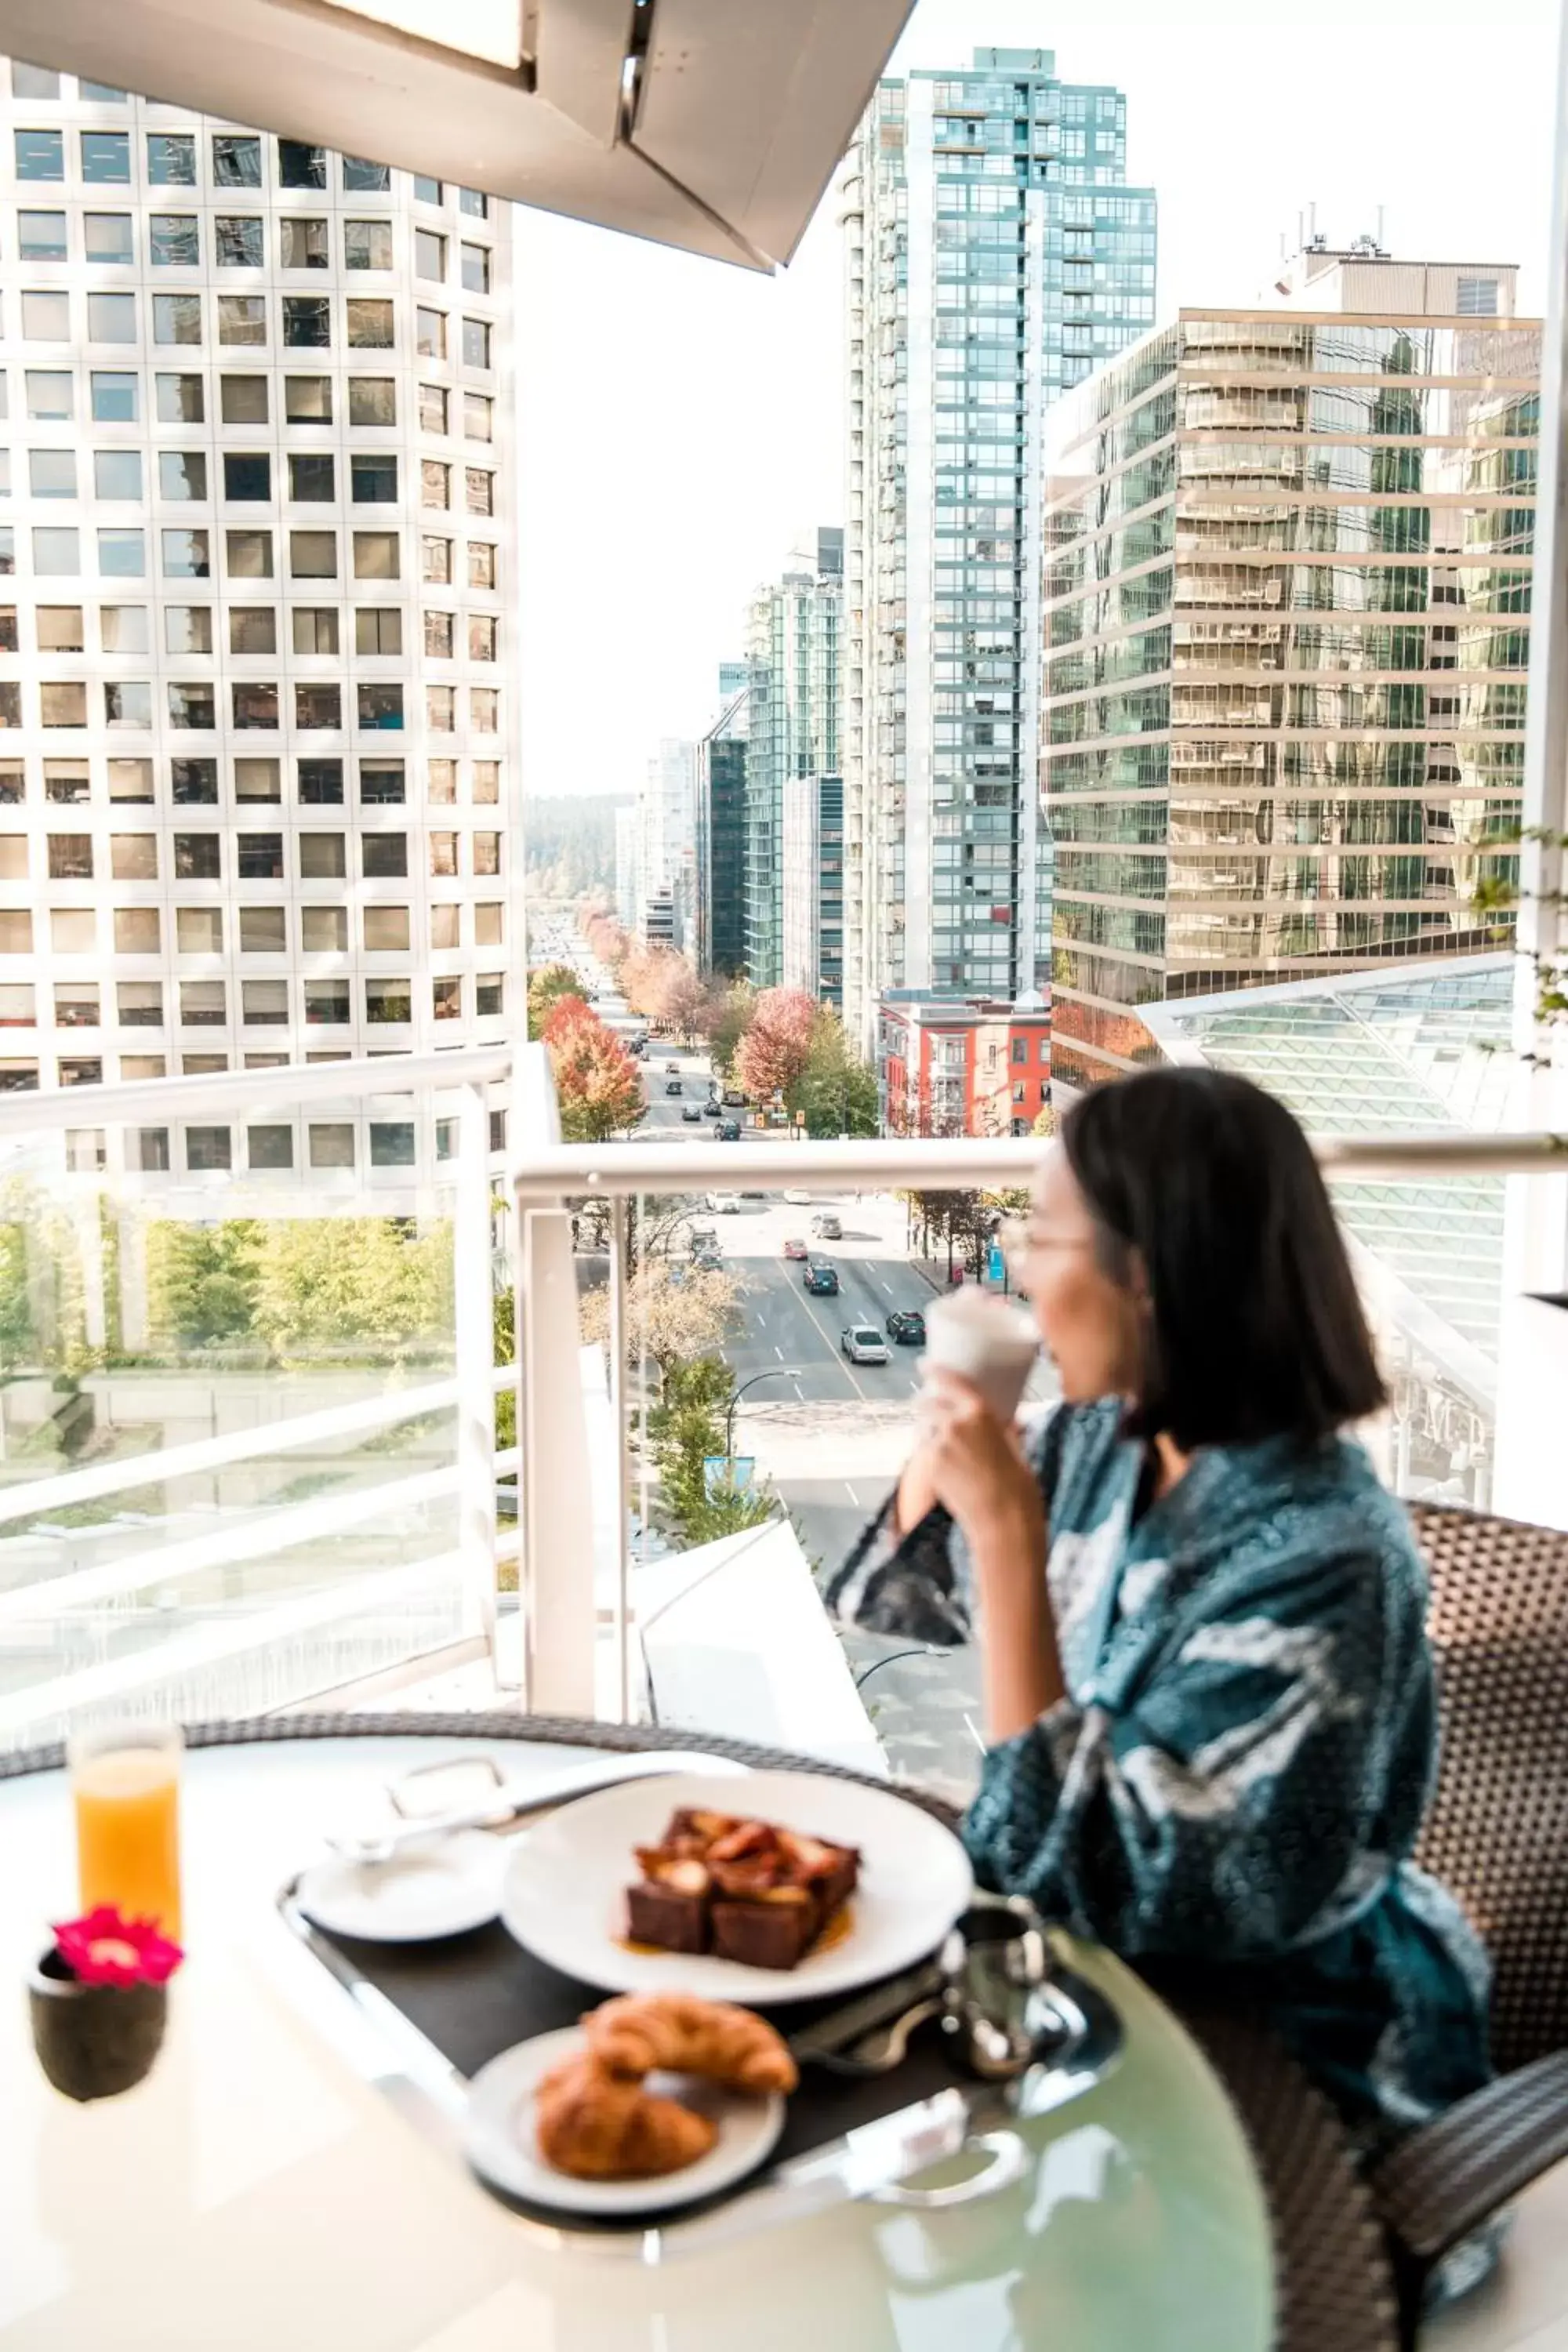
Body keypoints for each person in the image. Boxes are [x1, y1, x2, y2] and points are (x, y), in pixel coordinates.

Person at [829, 1066, 1491, 2159]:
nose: (1024, 1271)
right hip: (1101, 1980)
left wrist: (1007, 1541)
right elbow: (891, 1595)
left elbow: (1131, 1885)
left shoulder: (1328, 1556)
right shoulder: (1108, 1441)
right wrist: (954, 1436)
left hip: (1285, 2049)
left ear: (1152, 1277)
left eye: (1045, 1236)